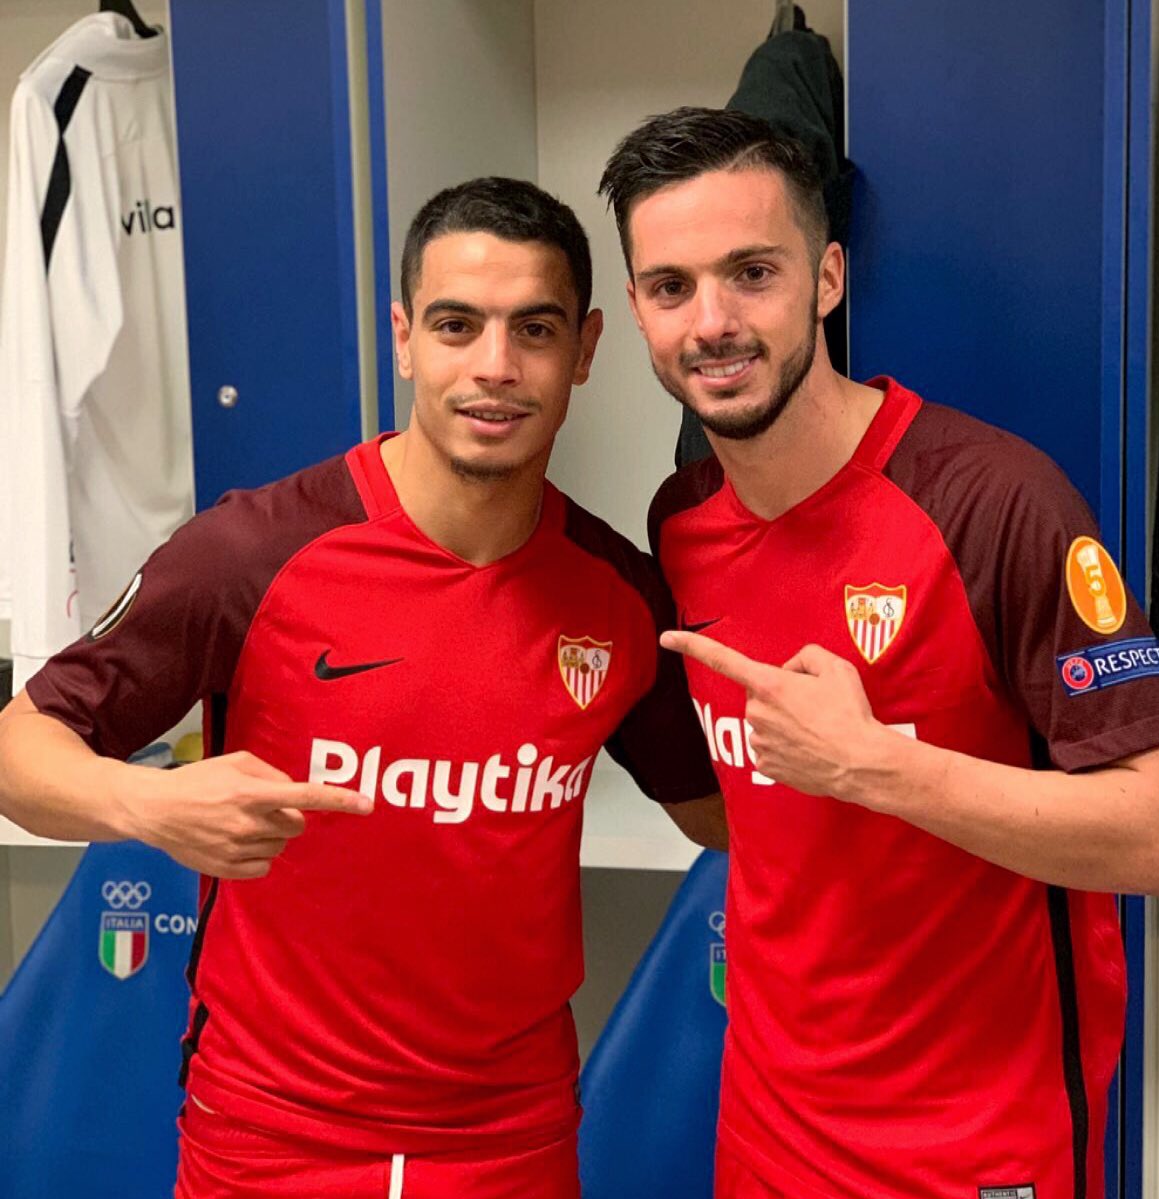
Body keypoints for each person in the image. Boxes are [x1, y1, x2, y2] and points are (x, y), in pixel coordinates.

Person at [0, 176, 723, 1199]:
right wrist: (149, 803)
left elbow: (723, 815)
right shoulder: (251, 552)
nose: (494, 367)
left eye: (534, 329)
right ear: (402, 337)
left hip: (509, 1136)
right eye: (455, 325)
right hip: (270, 1128)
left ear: (587, 348)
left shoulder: (616, 593)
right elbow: (17, 748)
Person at [599, 106, 1159, 1199]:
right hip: (767, 1130)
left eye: (752, 271)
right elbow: (757, 817)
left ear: (825, 279)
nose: (713, 320)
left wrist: (876, 765)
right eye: (671, 286)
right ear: (636, 307)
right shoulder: (677, 522)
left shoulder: (990, 500)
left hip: (971, 1147)